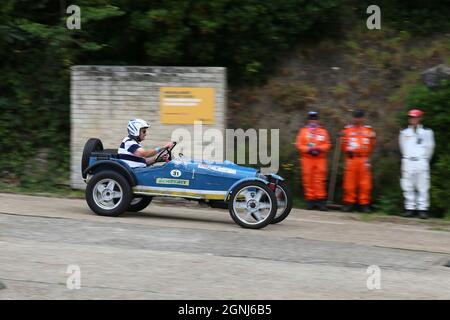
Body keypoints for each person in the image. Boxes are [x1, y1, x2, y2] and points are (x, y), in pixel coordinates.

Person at [399, 109, 435, 219]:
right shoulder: (404, 132)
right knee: (407, 185)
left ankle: (422, 209)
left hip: (421, 161)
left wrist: (424, 159)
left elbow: (430, 147)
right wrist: (407, 158)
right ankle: (409, 208)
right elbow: (402, 147)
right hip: (408, 161)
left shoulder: (427, 132)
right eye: (411, 117)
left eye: (415, 117)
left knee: (423, 186)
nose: (413, 119)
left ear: (420, 118)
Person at [341, 109, 376, 213]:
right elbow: (343, 145)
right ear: (353, 118)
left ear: (363, 118)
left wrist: (367, 156)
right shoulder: (347, 130)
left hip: (364, 159)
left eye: (360, 117)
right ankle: (349, 203)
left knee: (365, 183)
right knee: (349, 183)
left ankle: (364, 204)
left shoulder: (368, 130)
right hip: (351, 159)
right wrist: (347, 150)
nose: (357, 119)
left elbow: (372, 145)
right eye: (356, 117)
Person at [295, 111, 331, 210]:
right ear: (308, 120)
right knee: (308, 179)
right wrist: (308, 150)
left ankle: (321, 201)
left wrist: (319, 149)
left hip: (320, 159)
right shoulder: (303, 131)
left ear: (318, 120)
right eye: (311, 119)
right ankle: (310, 201)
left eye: (315, 119)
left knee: (320, 180)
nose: (313, 121)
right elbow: (298, 145)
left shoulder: (323, 132)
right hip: (307, 159)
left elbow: (328, 144)